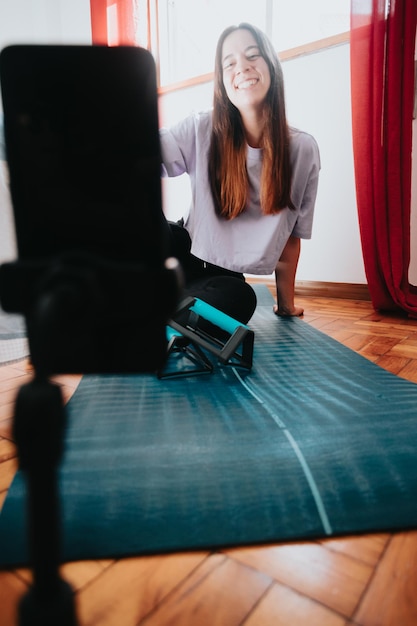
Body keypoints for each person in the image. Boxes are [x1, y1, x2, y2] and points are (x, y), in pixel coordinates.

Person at [160, 22, 320, 326]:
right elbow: (138, 156)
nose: (242, 68)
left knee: (240, 300)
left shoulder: (302, 150)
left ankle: (153, 310)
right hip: (176, 249)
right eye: (229, 63)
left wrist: (286, 305)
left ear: (271, 65)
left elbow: (289, 237)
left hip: (218, 279)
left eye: (252, 55)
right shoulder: (200, 126)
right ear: (222, 80)